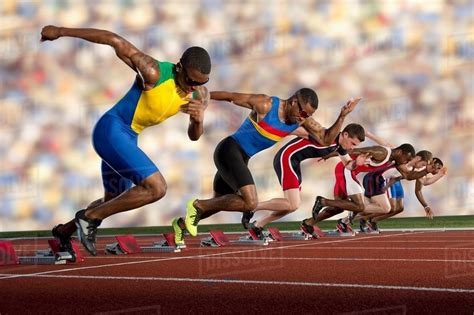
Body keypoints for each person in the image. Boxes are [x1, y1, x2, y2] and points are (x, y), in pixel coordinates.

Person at [41, 25, 211, 256]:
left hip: (129, 138)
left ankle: (64, 232)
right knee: (156, 188)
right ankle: (88, 219)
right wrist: (60, 31)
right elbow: (114, 40)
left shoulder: (199, 93)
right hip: (110, 131)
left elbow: (194, 136)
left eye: (200, 83)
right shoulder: (153, 72)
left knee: (111, 201)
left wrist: (198, 119)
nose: (194, 86)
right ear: (179, 66)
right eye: (191, 80)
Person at [172, 90, 361, 247]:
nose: (303, 118)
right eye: (302, 112)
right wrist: (204, 98)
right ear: (294, 102)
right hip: (229, 150)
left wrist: (343, 115)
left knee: (218, 203)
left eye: (308, 116)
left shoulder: (301, 121)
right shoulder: (266, 104)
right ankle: (197, 204)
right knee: (250, 203)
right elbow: (232, 96)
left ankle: (180, 225)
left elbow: (326, 139)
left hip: (242, 158)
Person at [247, 123, 368, 239]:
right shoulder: (325, 134)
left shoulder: (340, 146)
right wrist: (267, 130)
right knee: (293, 204)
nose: (352, 147)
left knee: (292, 206)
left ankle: (258, 225)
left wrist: (356, 163)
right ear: (345, 135)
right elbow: (296, 130)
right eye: (352, 143)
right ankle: (252, 207)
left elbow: (347, 164)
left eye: (355, 145)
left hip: (294, 163)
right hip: (287, 158)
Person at [301, 142, 428, 234]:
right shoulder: (383, 152)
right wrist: (330, 154)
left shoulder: (395, 160)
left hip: (347, 172)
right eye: (406, 158)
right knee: (359, 206)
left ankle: (308, 223)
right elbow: (353, 151)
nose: (406, 161)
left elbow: (408, 175)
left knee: (339, 207)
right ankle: (323, 201)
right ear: (401, 152)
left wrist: (427, 170)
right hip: (346, 170)